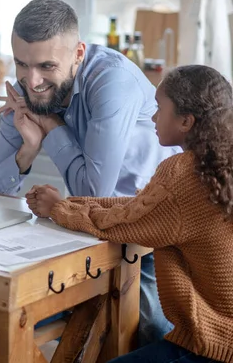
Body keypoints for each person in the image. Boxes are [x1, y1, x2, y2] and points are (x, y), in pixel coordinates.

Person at [0, 0, 179, 345]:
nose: (31, 81)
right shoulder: (30, 89)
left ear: (78, 54)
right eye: (21, 64)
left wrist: (51, 126)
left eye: (46, 66)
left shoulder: (111, 84)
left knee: (148, 334)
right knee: (1, 311)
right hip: (88, 228)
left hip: (150, 231)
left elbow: (94, 193)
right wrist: (27, 151)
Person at [27, 64, 233, 363]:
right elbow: (138, 208)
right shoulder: (217, 165)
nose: (152, 117)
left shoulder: (183, 173)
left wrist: (59, 208)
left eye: (159, 108)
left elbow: (126, 224)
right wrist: (66, 203)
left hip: (215, 347)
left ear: (186, 121)